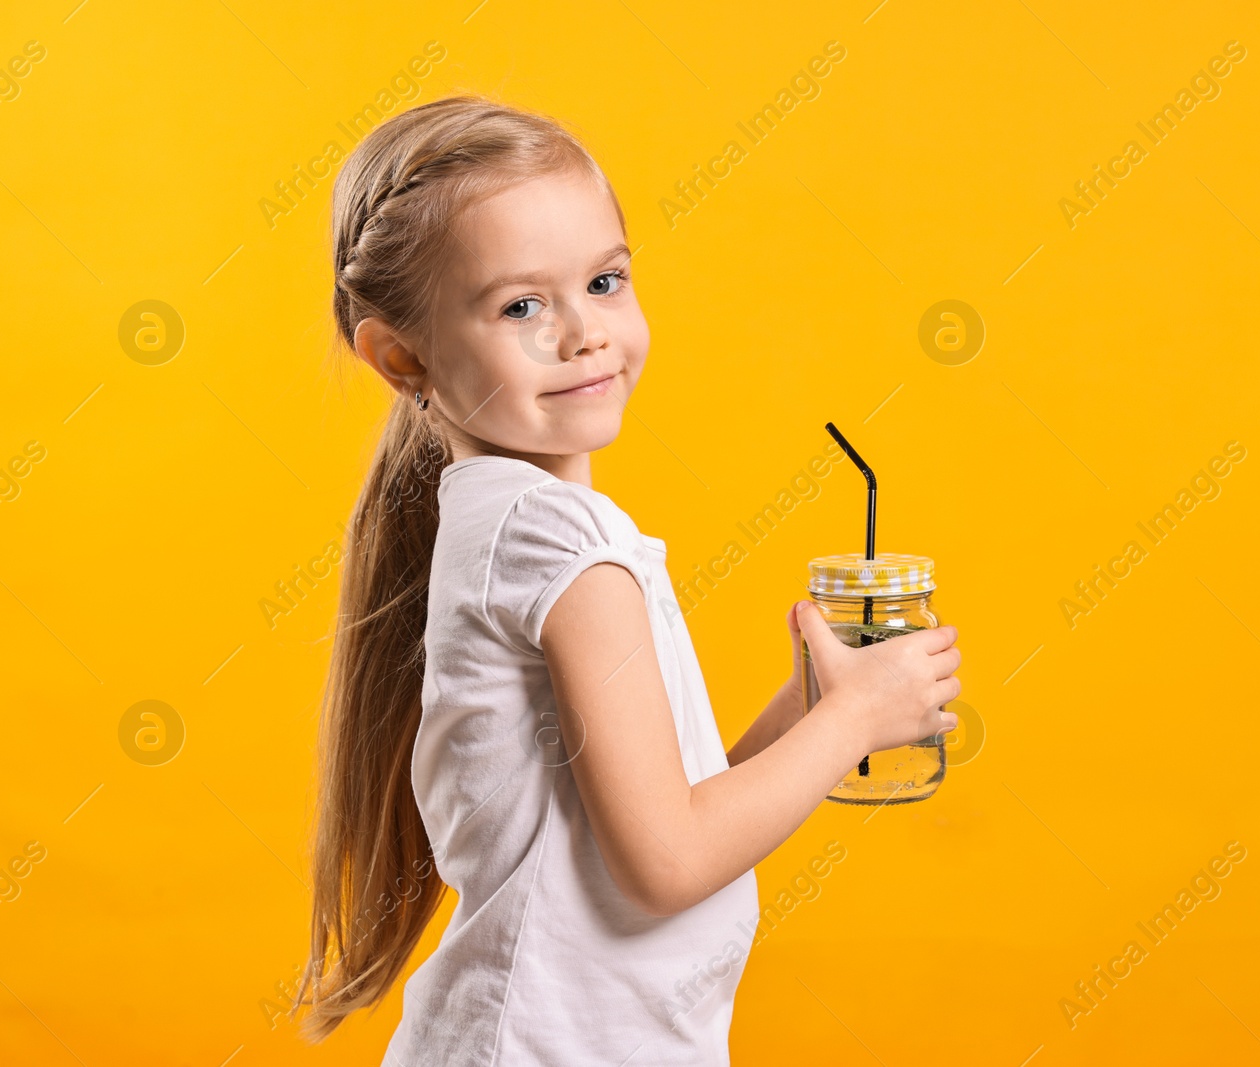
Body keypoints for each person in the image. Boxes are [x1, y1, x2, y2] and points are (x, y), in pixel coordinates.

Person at [291, 94, 962, 1065]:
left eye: (605, 280)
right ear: (404, 359)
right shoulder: (557, 544)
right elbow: (668, 862)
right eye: (522, 305)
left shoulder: (526, 526)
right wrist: (851, 724)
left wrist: (810, 707)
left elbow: (672, 815)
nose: (585, 333)